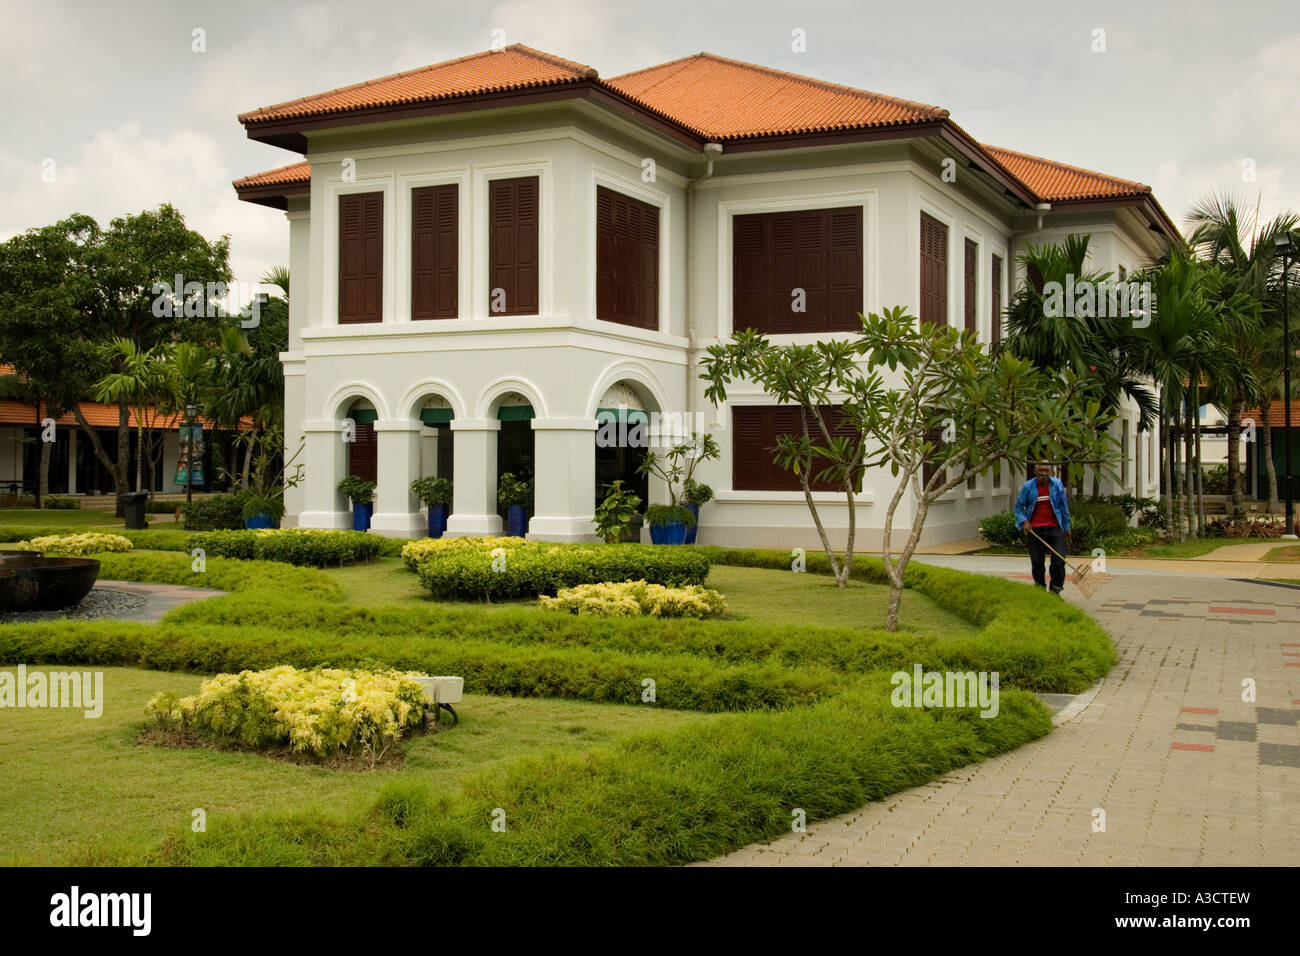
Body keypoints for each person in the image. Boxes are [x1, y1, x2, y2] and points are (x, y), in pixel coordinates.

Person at [1014, 460, 1071, 595]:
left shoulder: (1057, 485)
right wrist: (1024, 521)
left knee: (1059, 560)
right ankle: (1040, 589)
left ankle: (1055, 590)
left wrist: (1067, 527)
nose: (1044, 473)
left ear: (1050, 472)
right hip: (1035, 531)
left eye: (1046, 471)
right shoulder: (1028, 487)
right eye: (1041, 470)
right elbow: (1018, 507)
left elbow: (1064, 507)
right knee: (1037, 563)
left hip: (1055, 528)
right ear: (1035, 471)